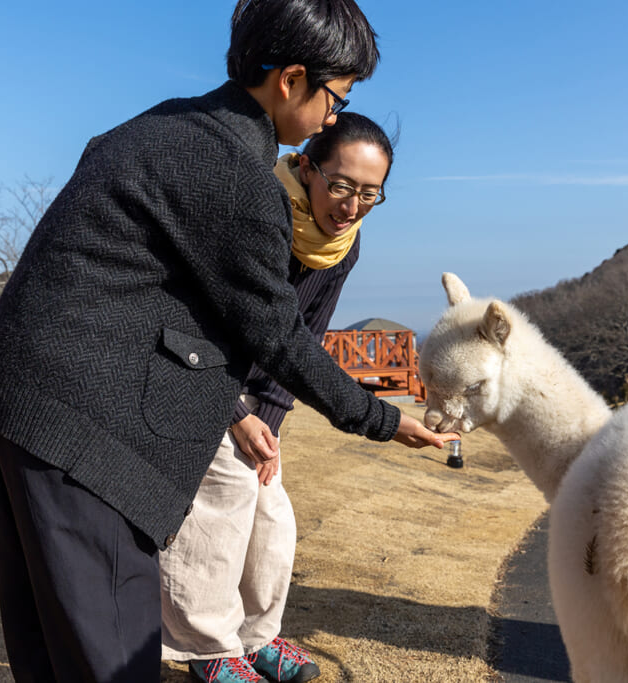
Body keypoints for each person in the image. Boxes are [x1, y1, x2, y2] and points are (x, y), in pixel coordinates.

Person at [0, 1, 456, 682]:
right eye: (336, 97)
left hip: (22, 390)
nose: (334, 116)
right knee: (113, 653)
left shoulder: (164, 125)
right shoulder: (236, 175)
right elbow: (279, 333)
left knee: (52, 642)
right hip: (85, 415)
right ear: (289, 80)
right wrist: (381, 419)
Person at [160, 112, 395, 683]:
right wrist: (236, 415)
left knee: (272, 508)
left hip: (253, 388)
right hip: (190, 369)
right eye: (340, 186)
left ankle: (254, 637)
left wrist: (268, 421)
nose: (351, 206)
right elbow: (197, 320)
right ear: (307, 168)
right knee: (227, 490)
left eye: (370, 193)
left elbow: (303, 339)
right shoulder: (255, 207)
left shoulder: (343, 245)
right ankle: (205, 648)